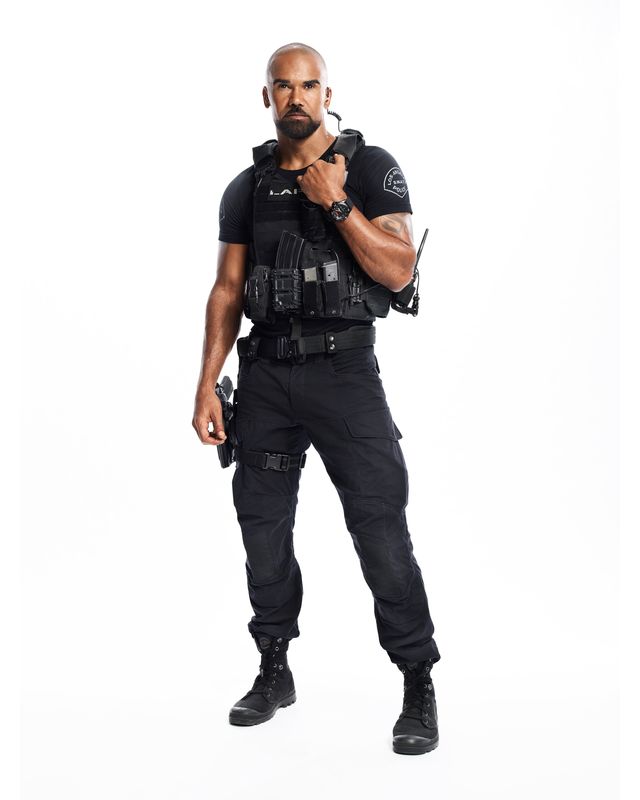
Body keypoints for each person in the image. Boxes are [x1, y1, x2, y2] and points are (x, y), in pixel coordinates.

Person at [192, 42, 441, 755]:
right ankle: (274, 667)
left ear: (328, 94)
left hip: (345, 372)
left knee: (380, 528)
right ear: (266, 97)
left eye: (308, 86)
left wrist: (336, 201)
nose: (295, 97)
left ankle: (417, 679)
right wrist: (206, 382)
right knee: (261, 529)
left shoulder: (370, 167)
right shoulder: (246, 187)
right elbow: (227, 289)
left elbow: (399, 270)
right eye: (283, 86)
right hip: (266, 377)